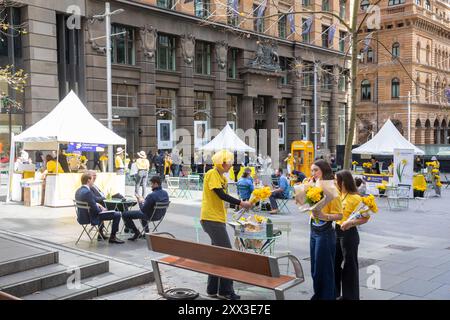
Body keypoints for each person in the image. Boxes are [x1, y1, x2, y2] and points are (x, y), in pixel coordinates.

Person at [200, 150, 252, 300]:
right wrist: (241, 202)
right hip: (212, 219)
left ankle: (213, 289)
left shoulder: (221, 176)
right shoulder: (212, 173)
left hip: (217, 219)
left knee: (217, 255)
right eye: (229, 162)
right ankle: (226, 291)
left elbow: (223, 197)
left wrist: (238, 205)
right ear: (222, 162)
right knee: (227, 254)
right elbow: (220, 194)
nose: (231, 165)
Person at [309, 159, 343, 300]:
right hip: (313, 229)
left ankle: (327, 297)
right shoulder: (314, 185)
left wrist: (324, 215)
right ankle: (318, 295)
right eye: (312, 170)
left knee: (324, 269)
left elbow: (340, 215)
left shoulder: (332, 189)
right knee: (315, 269)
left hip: (325, 231)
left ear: (324, 170)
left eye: (316, 170)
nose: (313, 173)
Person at [335, 170, 369, 300]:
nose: (334, 182)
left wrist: (351, 223)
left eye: (336, 180)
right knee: (334, 263)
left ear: (342, 182)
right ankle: (335, 293)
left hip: (349, 234)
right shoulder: (339, 194)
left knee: (350, 266)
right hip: (336, 231)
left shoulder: (356, 198)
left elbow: (365, 218)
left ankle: (350, 296)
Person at [75, 171, 124, 244]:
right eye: (92, 179)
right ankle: (113, 237)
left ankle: (101, 233)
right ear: (88, 180)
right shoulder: (87, 192)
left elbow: (92, 203)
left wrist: (99, 205)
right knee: (117, 214)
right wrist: (104, 210)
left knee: (111, 211)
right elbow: (96, 210)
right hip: (91, 217)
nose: (93, 181)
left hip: (82, 216)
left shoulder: (78, 191)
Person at [122, 176, 169, 241]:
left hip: (149, 216)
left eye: (152, 184)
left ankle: (136, 232)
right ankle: (146, 232)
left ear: (156, 184)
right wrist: (145, 201)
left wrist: (140, 200)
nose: (151, 186)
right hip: (159, 216)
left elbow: (143, 210)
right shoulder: (165, 193)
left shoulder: (152, 195)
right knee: (143, 213)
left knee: (125, 214)